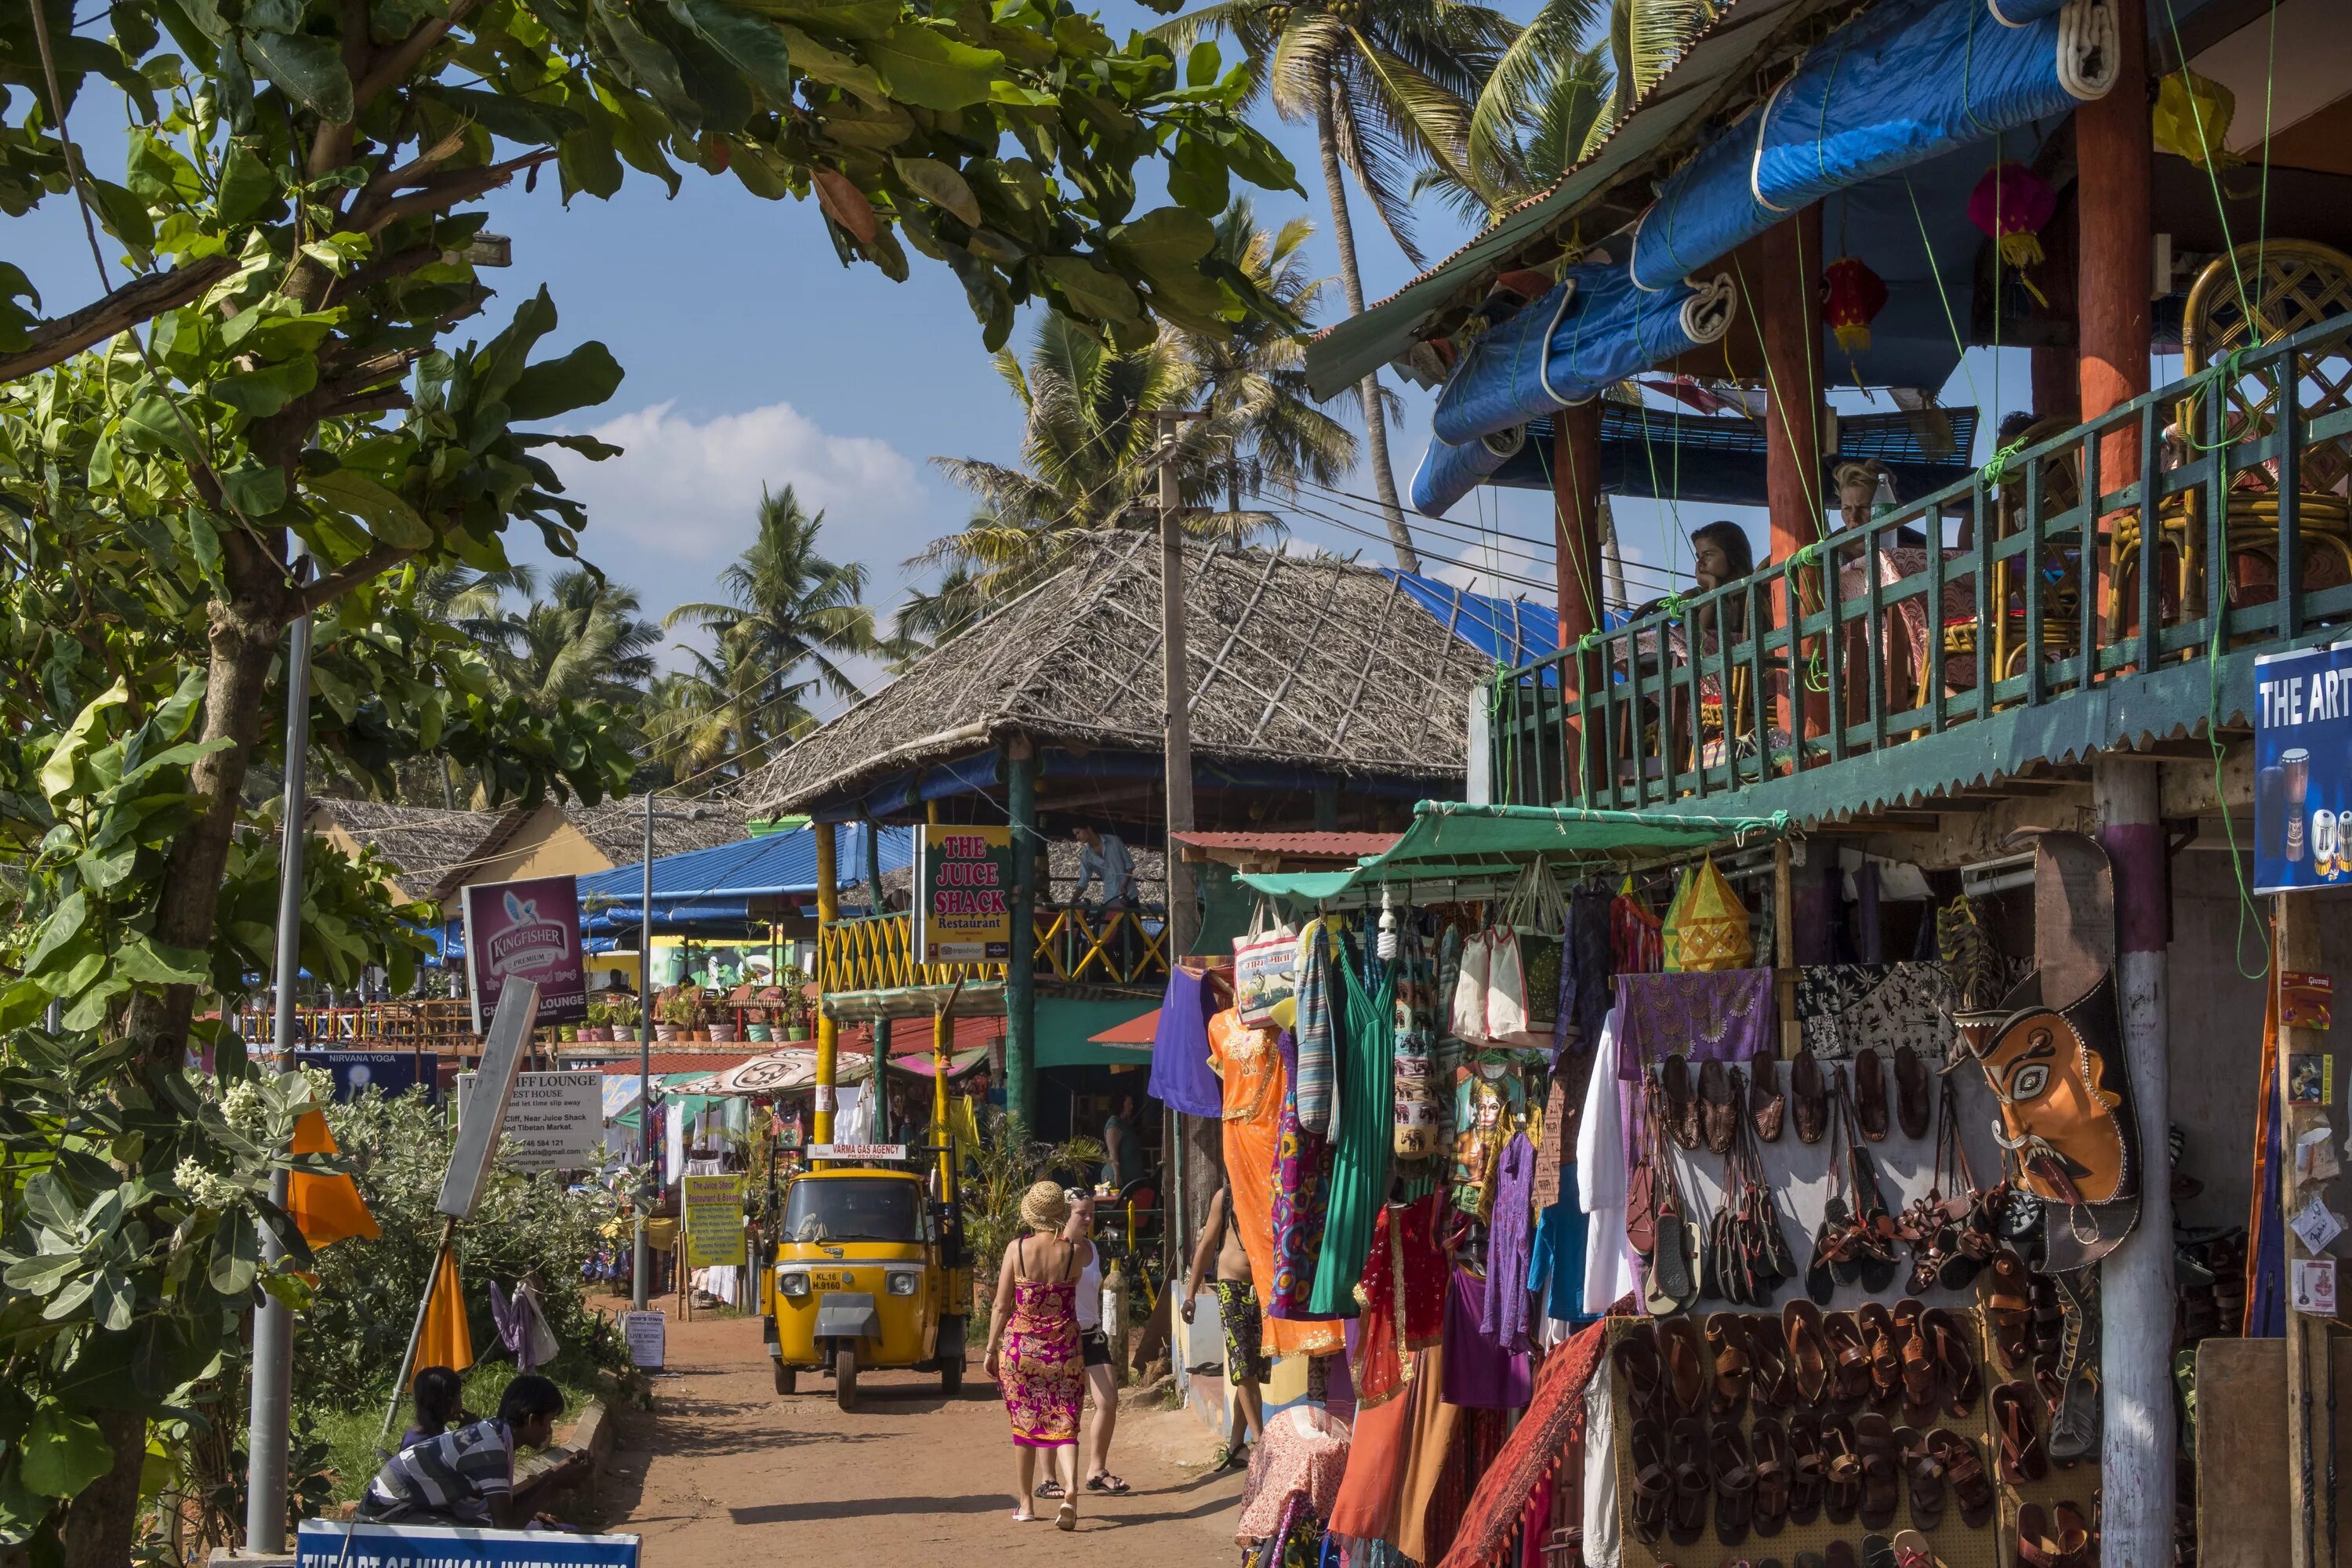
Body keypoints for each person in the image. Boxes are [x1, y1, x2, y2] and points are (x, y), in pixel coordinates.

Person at [984, 1181, 1089, 1528]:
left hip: (1021, 1352)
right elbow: (1082, 1267)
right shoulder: (1075, 1251)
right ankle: (1071, 1487)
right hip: (1065, 1351)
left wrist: (990, 1348)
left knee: (1024, 1426)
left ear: (1031, 1213)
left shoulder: (1017, 1248)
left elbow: (1002, 1305)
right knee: (1066, 1421)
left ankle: (1027, 1503)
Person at [358, 1374, 590, 1528]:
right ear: (531, 1420)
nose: (549, 1431)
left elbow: (504, 1511)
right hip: (388, 1513)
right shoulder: (490, 1448)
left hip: (413, 1507)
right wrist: (554, 1484)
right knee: (481, 1543)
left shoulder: (496, 1437)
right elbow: (505, 1527)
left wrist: (554, 1474)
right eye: (549, 1422)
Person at [1037, 1193, 1127, 1498]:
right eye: (1082, 1213)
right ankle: (1048, 1478)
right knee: (1054, 1406)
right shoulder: (1053, 1249)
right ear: (1065, 1214)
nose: (1089, 1219)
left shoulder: (1092, 1248)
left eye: (1091, 1213)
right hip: (1061, 1335)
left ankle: (1097, 1470)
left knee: (1109, 1400)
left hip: (1091, 1333)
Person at [1180, 1183, 1265, 1468]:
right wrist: (1190, 1296)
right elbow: (1206, 1245)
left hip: (1264, 1291)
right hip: (1232, 1288)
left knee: (1251, 1370)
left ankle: (1237, 1446)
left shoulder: (1274, 1187)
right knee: (1244, 1368)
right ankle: (1261, 1446)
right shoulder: (1226, 1196)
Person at [398, 1366, 470, 1452]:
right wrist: (470, 1432)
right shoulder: (421, 1444)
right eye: (459, 1395)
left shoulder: (425, 1434)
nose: (461, 1400)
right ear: (448, 1402)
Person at [1071, 826, 1136, 911]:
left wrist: (1125, 884)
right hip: (1110, 897)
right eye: (1075, 835)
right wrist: (1071, 903)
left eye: (1078, 833)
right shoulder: (1086, 855)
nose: (1077, 837)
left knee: (1132, 919)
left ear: (1089, 828)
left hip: (1130, 896)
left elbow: (1129, 865)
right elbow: (1083, 882)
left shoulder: (1114, 841)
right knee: (1102, 919)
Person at [1101, 1093, 1144, 1192]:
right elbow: (1113, 1152)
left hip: (1131, 1178)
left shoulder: (1124, 1123)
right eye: (1129, 1104)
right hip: (1120, 1180)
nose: (1132, 1107)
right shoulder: (1113, 1125)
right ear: (1120, 1105)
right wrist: (1117, 1176)